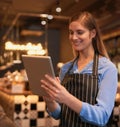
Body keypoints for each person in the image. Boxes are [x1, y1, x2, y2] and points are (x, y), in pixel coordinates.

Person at [40, 11, 118, 127]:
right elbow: (59, 114)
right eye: (71, 33)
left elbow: (102, 117)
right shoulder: (66, 69)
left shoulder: (107, 68)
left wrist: (67, 98)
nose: (74, 37)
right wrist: (49, 100)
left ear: (92, 33)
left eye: (79, 32)